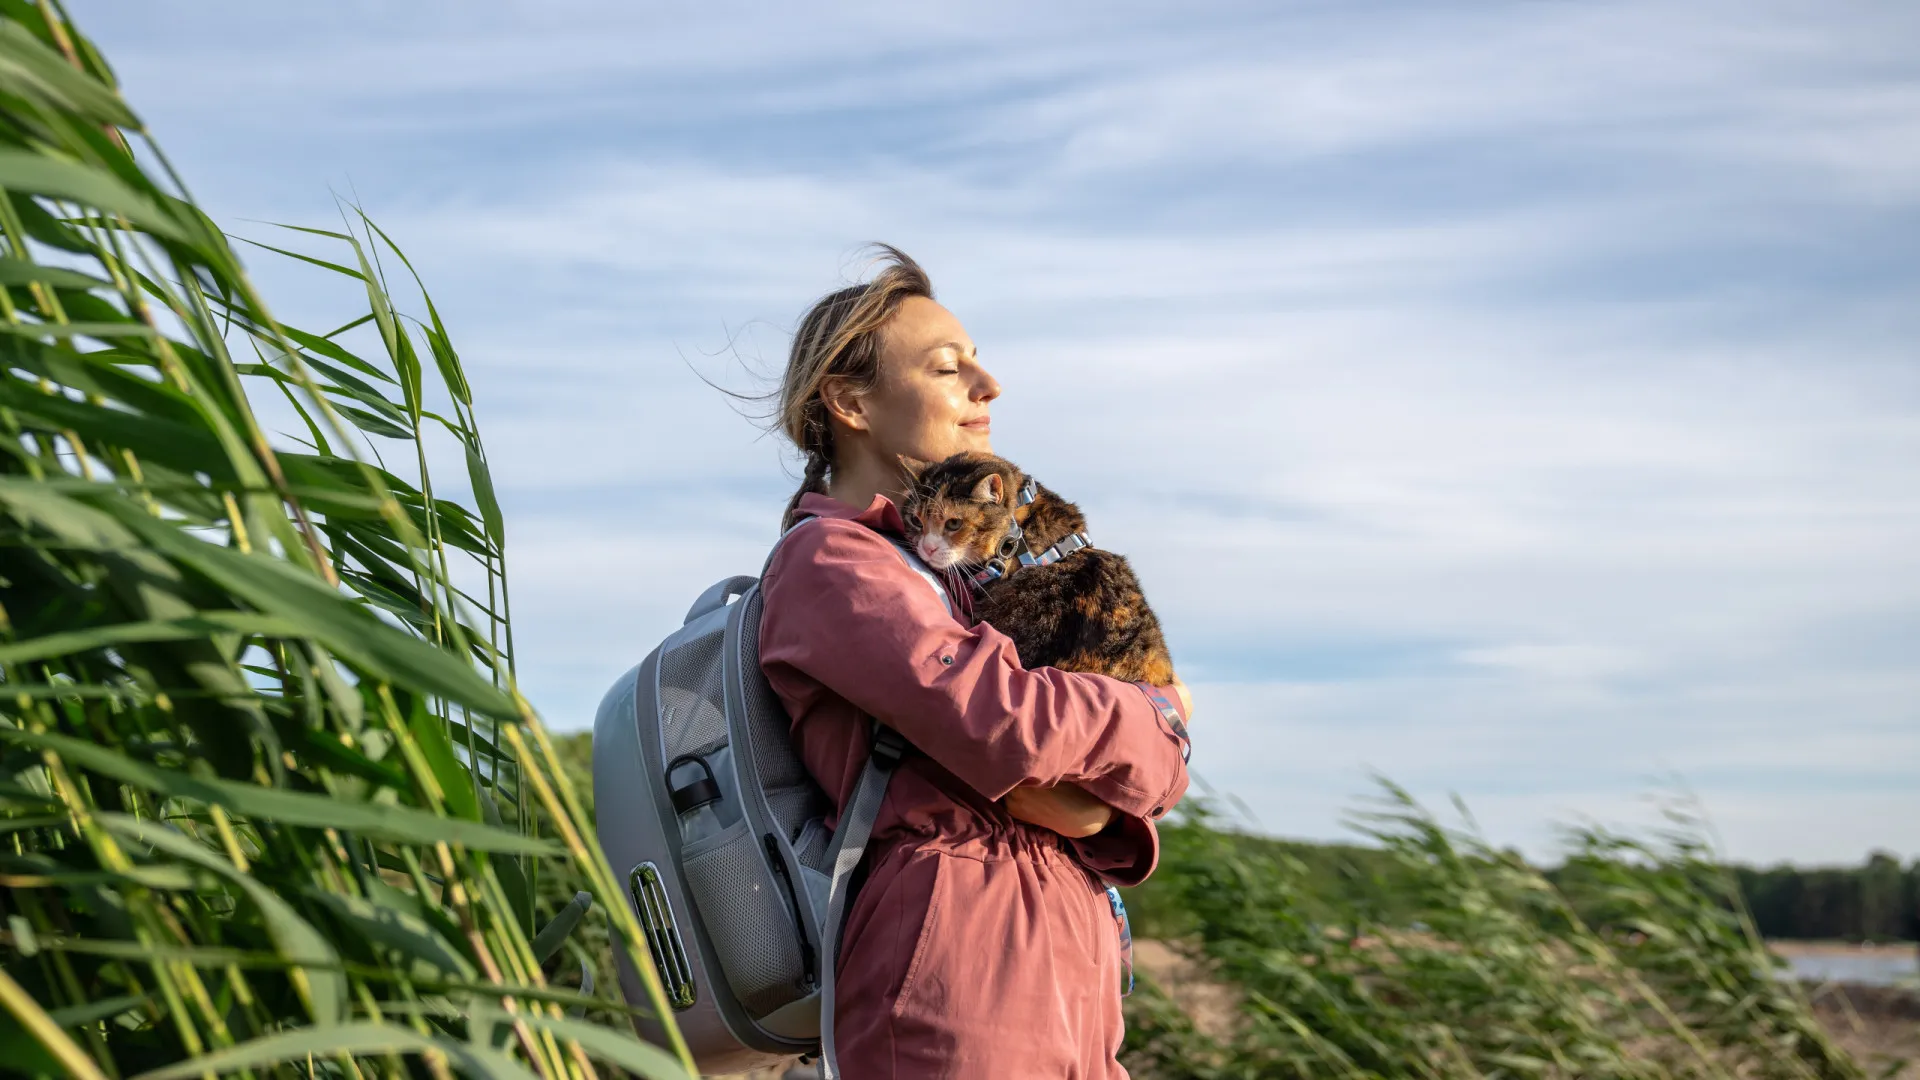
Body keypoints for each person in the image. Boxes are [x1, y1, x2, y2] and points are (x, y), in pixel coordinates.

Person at [756, 245, 1194, 1078]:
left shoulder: (954, 576)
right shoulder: (833, 564)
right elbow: (1015, 731)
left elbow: (1098, 806)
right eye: (949, 369)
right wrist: (1158, 716)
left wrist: (1104, 777)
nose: (987, 388)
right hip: (959, 960)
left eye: (980, 365)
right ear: (849, 401)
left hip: (1058, 952)